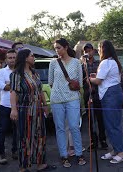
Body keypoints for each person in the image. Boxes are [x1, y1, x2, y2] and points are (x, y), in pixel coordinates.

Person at [10, 48, 55, 172]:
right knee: (25, 137)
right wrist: (13, 109)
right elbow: (13, 92)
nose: (33, 58)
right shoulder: (16, 75)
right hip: (25, 110)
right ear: (25, 58)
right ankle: (23, 167)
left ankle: (41, 164)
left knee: (41, 136)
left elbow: (40, 91)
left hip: (38, 110)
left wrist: (45, 106)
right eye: (32, 56)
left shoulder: (35, 73)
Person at [48, 38, 86, 168]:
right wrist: (60, 90)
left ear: (66, 47)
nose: (57, 50)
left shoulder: (76, 62)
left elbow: (80, 83)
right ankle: (64, 155)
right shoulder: (53, 63)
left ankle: (79, 153)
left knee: (74, 127)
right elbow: (51, 82)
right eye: (55, 48)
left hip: (72, 98)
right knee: (60, 128)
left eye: (59, 47)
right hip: (56, 99)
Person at [89, 40, 123, 164]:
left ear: (103, 49)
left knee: (113, 125)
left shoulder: (106, 62)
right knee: (111, 124)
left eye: (99, 48)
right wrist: (96, 77)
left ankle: (121, 152)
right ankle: (116, 150)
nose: (98, 51)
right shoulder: (113, 61)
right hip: (113, 94)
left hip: (110, 95)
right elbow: (104, 78)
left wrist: (90, 79)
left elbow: (99, 81)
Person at [82, 43, 108, 150]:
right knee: (90, 119)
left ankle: (103, 140)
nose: (88, 52)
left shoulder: (99, 63)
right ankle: (93, 142)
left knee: (101, 118)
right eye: (86, 51)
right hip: (88, 94)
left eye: (89, 50)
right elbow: (81, 80)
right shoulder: (82, 65)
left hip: (99, 93)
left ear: (93, 51)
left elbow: (102, 78)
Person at [0, 49, 18, 164]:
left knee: (17, 131)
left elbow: (19, 87)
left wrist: (8, 84)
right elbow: (1, 86)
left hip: (19, 106)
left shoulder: (21, 71)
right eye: (10, 58)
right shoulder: (1, 72)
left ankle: (15, 151)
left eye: (14, 57)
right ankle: (0, 154)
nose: (12, 60)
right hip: (5, 105)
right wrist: (14, 85)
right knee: (2, 130)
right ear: (6, 59)